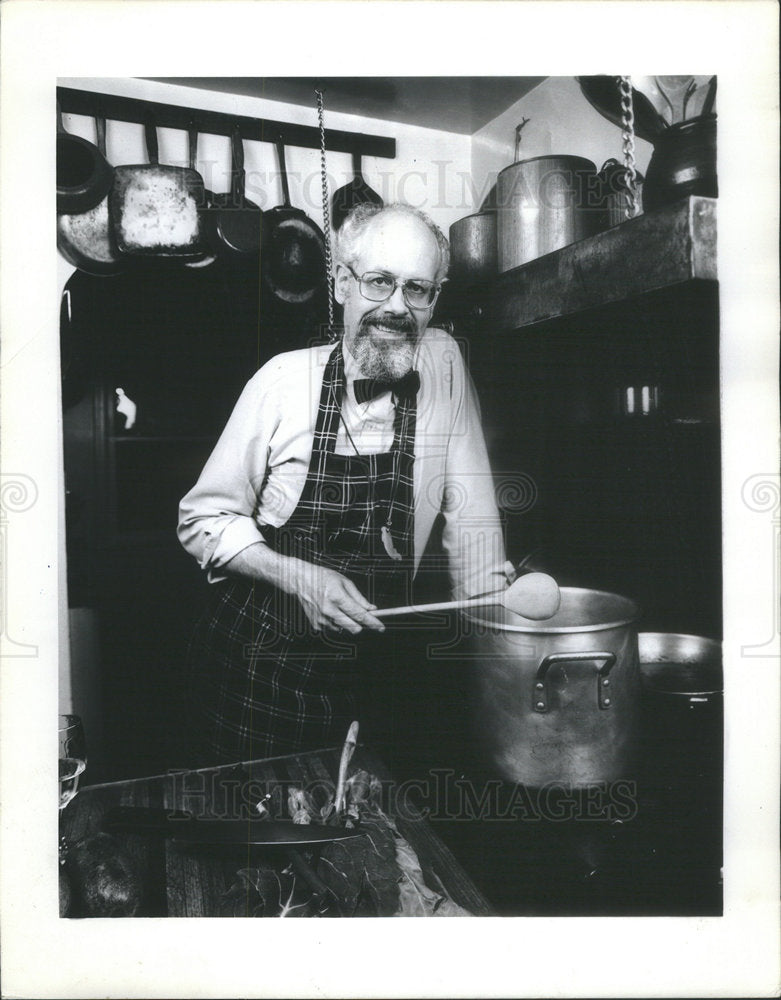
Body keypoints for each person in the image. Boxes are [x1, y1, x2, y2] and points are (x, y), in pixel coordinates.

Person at [178, 202, 508, 766]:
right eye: (378, 282)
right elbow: (202, 521)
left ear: (436, 298)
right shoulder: (281, 382)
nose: (396, 308)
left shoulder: (447, 367)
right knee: (255, 830)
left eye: (417, 289)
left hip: (373, 675)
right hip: (261, 670)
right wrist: (301, 578)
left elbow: (475, 531)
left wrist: (507, 655)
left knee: (360, 834)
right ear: (342, 285)